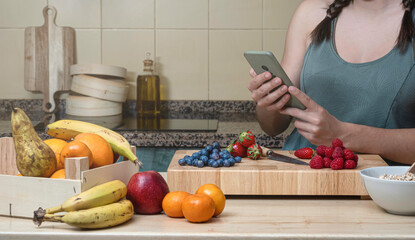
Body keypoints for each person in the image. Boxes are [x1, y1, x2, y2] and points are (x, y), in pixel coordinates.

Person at [248, 0, 415, 165]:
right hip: (303, 178)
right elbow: (272, 126)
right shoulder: (311, 12)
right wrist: (268, 99)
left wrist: (342, 135)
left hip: (385, 186)